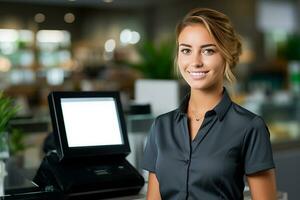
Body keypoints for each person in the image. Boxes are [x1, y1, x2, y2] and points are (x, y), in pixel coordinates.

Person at [142, 8, 277, 200]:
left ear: (226, 56)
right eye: (186, 50)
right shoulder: (161, 126)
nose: (195, 62)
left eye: (208, 50)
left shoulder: (250, 127)